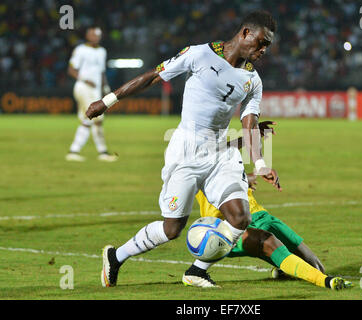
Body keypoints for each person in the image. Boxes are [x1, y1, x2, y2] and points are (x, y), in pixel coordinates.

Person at [86, 10, 282, 288]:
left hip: (221, 153)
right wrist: (107, 101)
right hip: (186, 150)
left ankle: (198, 270)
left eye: (268, 46)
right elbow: (154, 76)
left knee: (240, 217)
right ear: (245, 33)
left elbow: (249, 123)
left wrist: (260, 164)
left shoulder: (253, 81)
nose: (263, 50)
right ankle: (116, 256)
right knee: (172, 229)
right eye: (261, 42)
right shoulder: (199, 54)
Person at [183, 122, 353, 290]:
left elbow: (226, 151)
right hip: (229, 227)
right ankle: (327, 282)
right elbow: (211, 160)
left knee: (315, 267)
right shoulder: (195, 159)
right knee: (270, 243)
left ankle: (284, 269)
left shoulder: (224, 149)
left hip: (260, 216)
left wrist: (253, 171)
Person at [66, 26, 118, 162]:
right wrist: (84, 79)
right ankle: (102, 152)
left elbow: (101, 72)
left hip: (95, 90)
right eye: (93, 35)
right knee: (96, 118)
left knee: (87, 119)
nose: (96, 37)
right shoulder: (80, 50)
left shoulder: (102, 51)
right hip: (83, 87)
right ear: (88, 35)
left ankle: (74, 151)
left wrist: (106, 87)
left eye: (98, 35)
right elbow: (71, 70)